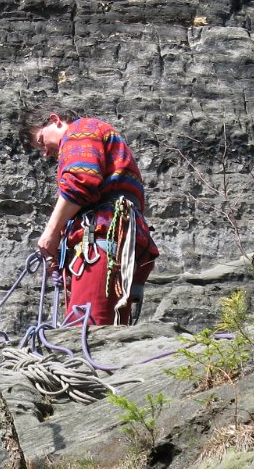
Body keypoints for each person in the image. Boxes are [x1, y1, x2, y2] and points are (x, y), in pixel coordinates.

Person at [23, 106, 159, 325]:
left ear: (55, 120)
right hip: (114, 240)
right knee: (104, 329)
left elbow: (80, 181)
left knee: (86, 329)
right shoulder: (97, 135)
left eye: (40, 141)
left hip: (101, 242)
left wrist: (51, 232)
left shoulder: (81, 129)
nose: (45, 153)